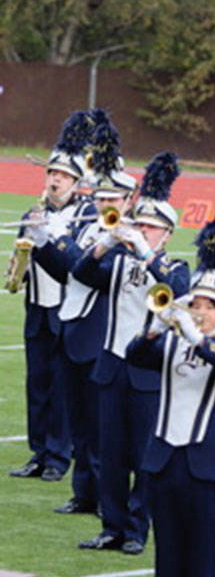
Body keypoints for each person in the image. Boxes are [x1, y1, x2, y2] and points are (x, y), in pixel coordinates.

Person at [73, 151, 189, 555]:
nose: (142, 229)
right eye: (140, 223)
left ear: (167, 234)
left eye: (152, 227)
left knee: (143, 455)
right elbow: (82, 274)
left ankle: (137, 529)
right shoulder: (119, 259)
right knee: (109, 451)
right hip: (112, 365)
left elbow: (177, 290)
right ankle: (112, 525)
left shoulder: (175, 266)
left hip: (147, 373)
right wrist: (104, 245)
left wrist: (145, 251)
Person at [128, 220, 215, 577]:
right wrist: (155, 326)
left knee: (201, 566)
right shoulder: (170, 343)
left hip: (207, 468)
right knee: (167, 562)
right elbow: (135, 356)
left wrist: (198, 337)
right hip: (163, 463)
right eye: (195, 303)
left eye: (211, 307)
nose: (200, 311)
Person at [30, 115, 132, 524]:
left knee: (102, 429)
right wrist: (42, 244)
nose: (105, 205)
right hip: (73, 329)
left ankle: (108, 501)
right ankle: (84, 494)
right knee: (81, 424)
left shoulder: (124, 238)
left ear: (127, 200)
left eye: (113, 199)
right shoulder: (93, 231)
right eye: (102, 198)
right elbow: (67, 273)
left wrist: (59, 240)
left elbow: (88, 273)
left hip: (98, 335)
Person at [8, 110, 97, 482]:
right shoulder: (35, 211)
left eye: (62, 176)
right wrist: (17, 269)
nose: (54, 180)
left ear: (76, 182)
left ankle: (59, 456)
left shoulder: (86, 216)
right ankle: (39, 451)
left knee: (62, 385)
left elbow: (78, 262)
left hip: (67, 307)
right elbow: (22, 254)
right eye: (51, 174)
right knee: (37, 382)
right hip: (37, 305)